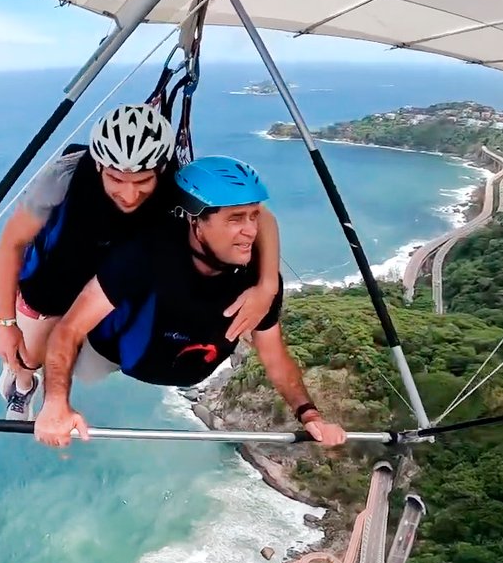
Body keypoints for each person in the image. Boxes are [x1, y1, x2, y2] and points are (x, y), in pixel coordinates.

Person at [32, 155, 347, 449]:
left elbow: (275, 357)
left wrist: (309, 415)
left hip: (188, 365)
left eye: (253, 217)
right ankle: (21, 377)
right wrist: (56, 402)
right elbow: (69, 330)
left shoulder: (256, 284)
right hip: (108, 356)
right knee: (46, 350)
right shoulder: (143, 257)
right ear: (195, 222)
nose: (250, 231)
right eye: (236, 219)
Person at [0, 104, 282, 418]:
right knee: (30, 357)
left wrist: (266, 287)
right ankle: (22, 384)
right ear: (100, 166)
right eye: (117, 180)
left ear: (159, 169)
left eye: (142, 181)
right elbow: (10, 245)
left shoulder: (180, 183)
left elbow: (261, 215)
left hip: (114, 282)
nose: (129, 195)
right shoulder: (61, 178)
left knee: (108, 341)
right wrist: (5, 324)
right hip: (55, 285)